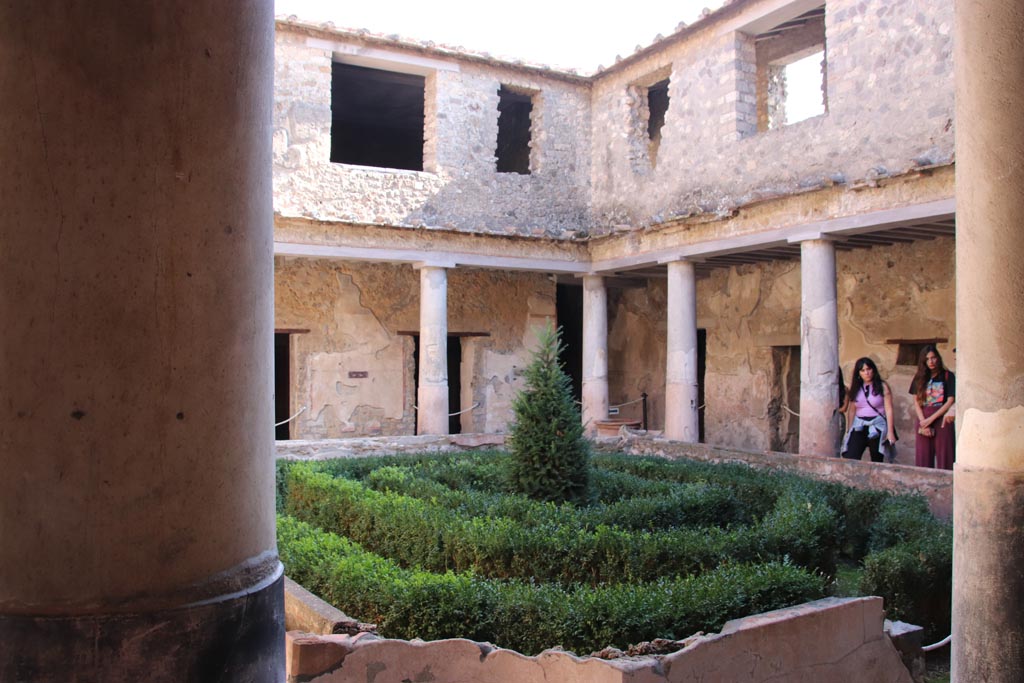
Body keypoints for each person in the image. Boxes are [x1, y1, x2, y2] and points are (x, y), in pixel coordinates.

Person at [840, 357, 897, 462]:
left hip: (877, 424)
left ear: (873, 370)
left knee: (876, 459)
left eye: (869, 369)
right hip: (859, 425)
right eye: (863, 370)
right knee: (850, 455)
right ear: (859, 373)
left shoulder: (882, 386)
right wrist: (849, 430)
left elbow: (889, 409)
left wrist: (890, 432)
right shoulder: (856, 388)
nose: (866, 373)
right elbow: (852, 410)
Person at [909, 345, 955, 469]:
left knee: (946, 455)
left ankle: (947, 485)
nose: (931, 361)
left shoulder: (947, 376)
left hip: (942, 418)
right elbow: (916, 401)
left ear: (938, 358)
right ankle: (922, 487)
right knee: (923, 457)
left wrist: (931, 419)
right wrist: (924, 422)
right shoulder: (919, 378)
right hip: (923, 416)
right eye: (927, 359)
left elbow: (950, 400)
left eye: (933, 358)